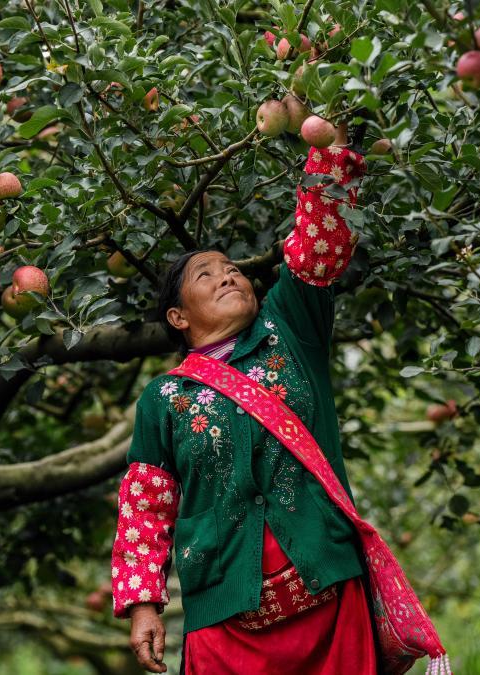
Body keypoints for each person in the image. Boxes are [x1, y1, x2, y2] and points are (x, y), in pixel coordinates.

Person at [111, 123, 376, 674]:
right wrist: (144, 607)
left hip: (328, 593)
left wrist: (326, 128)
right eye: (205, 274)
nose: (226, 274)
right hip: (226, 623)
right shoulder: (164, 398)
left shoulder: (291, 326)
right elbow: (146, 506)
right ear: (179, 318)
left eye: (231, 268)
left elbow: (317, 239)